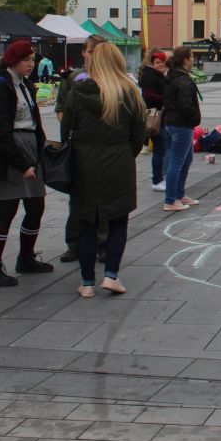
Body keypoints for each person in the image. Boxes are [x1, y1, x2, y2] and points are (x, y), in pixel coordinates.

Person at [61, 41, 146, 298]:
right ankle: (111, 275)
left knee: (86, 222)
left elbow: (66, 130)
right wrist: (125, 154)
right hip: (118, 161)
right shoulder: (128, 92)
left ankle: (87, 283)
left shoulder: (78, 92)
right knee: (118, 220)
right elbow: (138, 135)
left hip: (84, 163)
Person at [0, 40, 52, 286]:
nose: (31, 64)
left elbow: (34, 120)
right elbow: (0, 132)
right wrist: (21, 164)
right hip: (11, 153)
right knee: (7, 209)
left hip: (30, 148)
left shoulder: (25, 85)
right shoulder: (1, 87)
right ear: (13, 61)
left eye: (32, 60)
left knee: (36, 207)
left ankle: (26, 257)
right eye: (26, 60)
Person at [56, 34, 108, 263]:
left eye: (97, 52)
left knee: (104, 197)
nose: (92, 56)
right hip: (79, 144)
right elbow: (61, 109)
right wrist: (69, 134)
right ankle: (75, 243)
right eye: (89, 51)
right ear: (83, 52)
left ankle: (103, 242)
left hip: (105, 145)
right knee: (77, 197)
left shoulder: (112, 79)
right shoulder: (73, 79)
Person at [161, 46, 202, 211]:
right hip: (181, 124)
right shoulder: (183, 80)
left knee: (186, 159)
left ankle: (179, 194)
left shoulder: (172, 76)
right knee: (177, 161)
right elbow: (186, 105)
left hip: (172, 122)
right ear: (185, 60)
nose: (193, 59)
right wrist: (194, 118)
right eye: (191, 57)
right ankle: (170, 200)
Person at [139, 49, 168, 192]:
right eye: (158, 62)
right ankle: (157, 180)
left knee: (161, 148)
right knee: (159, 149)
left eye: (162, 62)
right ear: (152, 62)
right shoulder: (150, 75)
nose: (160, 64)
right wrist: (166, 98)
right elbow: (148, 95)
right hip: (155, 115)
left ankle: (158, 177)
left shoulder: (155, 74)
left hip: (158, 114)